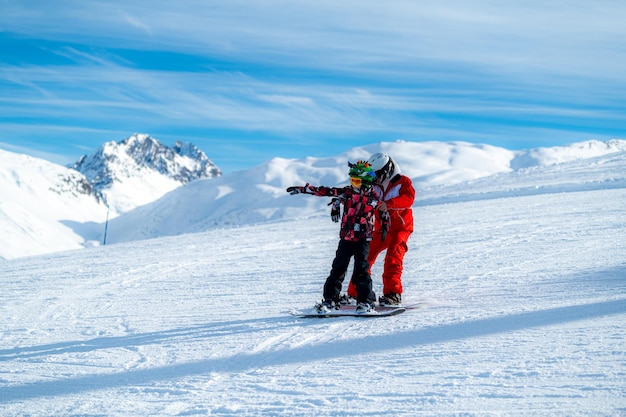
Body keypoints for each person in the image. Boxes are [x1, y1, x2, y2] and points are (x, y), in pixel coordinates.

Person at [286, 161, 390, 313]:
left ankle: (366, 301)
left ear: (366, 182)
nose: (353, 184)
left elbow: (383, 212)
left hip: (363, 238)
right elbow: (326, 191)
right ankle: (330, 300)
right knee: (338, 268)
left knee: (361, 269)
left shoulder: (373, 198)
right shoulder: (347, 193)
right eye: (351, 180)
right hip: (346, 238)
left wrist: (386, 227)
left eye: (356, 181)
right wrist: (304, 189)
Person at [346, 153, 415, 306]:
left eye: (379, 174)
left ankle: (393, 294)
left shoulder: (403, 182)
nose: (376, 178)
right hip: (379, 229)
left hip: (400, 228)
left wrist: (389, 204)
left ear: (388, 169)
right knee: (364, 260)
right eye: (373, 175)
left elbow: (409, 198)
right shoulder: (373, 185)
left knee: (393, 259)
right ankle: (355, 293)